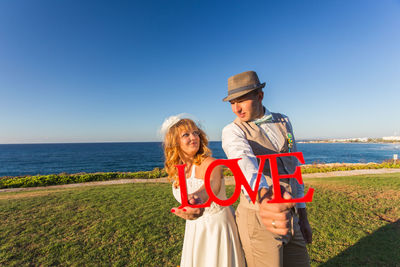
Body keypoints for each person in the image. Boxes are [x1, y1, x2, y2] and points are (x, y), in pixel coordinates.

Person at [221, 70, 312, 267]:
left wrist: (302, 215)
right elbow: (243, 162)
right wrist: (264, 195)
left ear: (259, 96)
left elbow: (294, 169)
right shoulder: (232, 130)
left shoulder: (283, 121)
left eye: (241, 100)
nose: (236, 108)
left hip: (291, 215)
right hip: (257, 218)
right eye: (232, 103)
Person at [162, 116, 246, 267]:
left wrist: (196, 199)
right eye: (186, 134)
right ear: (175, 142)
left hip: (216, 228)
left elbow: (211, 185)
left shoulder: (211, 163)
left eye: (196, 133)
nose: (194, 137)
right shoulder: (178, 169)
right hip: (194, 228)